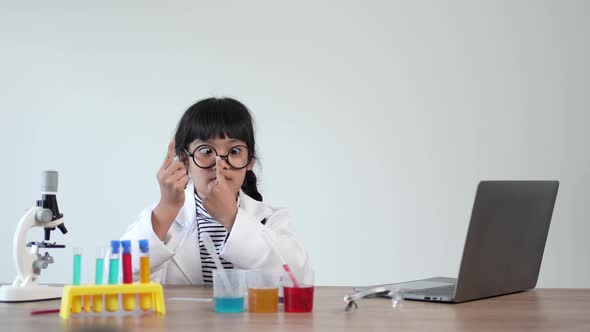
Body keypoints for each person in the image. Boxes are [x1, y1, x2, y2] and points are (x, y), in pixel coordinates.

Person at [121, 97, 310, 284]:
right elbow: (116, 281)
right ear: (184, 160)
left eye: (234, 151)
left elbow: (297, 278)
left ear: (250, 162)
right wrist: (167, 209)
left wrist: (232, 219)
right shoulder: (161, 220)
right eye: (206, 151)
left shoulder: (272, 219)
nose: (220, 163)